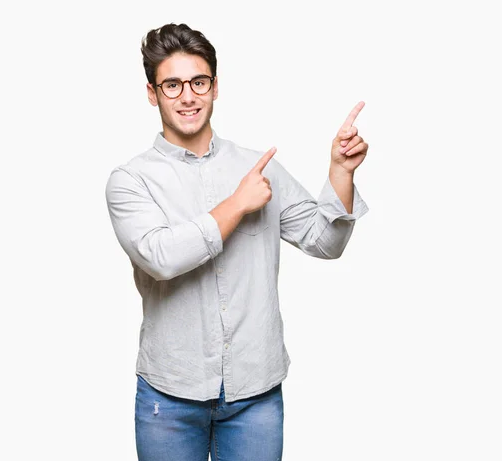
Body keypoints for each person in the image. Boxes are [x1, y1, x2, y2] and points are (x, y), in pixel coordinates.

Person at [105, 23, 369, 461]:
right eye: (172, 85)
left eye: (198, 82)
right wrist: (237, 204)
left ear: (214, 88)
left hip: (255, 393)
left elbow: (325, 241)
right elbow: (161, 257)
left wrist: (340, 172)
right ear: (153, 93)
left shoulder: (258, 168)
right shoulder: (130, 181)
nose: (187, 96)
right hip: (170, 395)